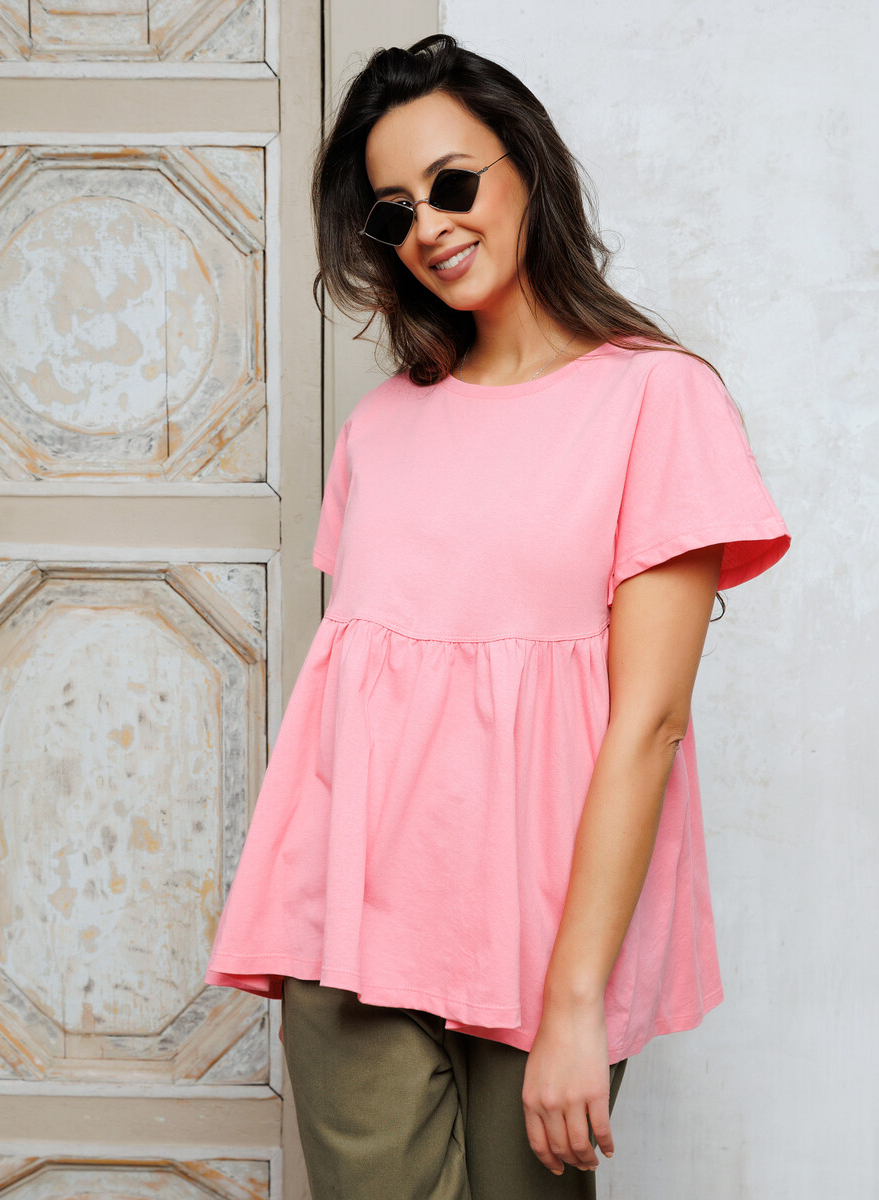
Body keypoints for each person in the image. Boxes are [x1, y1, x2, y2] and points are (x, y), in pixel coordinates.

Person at [205, 33, 792, 1200]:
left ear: (527, 165)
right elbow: (357, 707)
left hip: (547, 943)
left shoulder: (657, 399)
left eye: (453, 182)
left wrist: (576, 1005)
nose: (429, 225)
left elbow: (649, 724)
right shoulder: (380, 429)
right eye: (394, 212)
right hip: (353, 939)